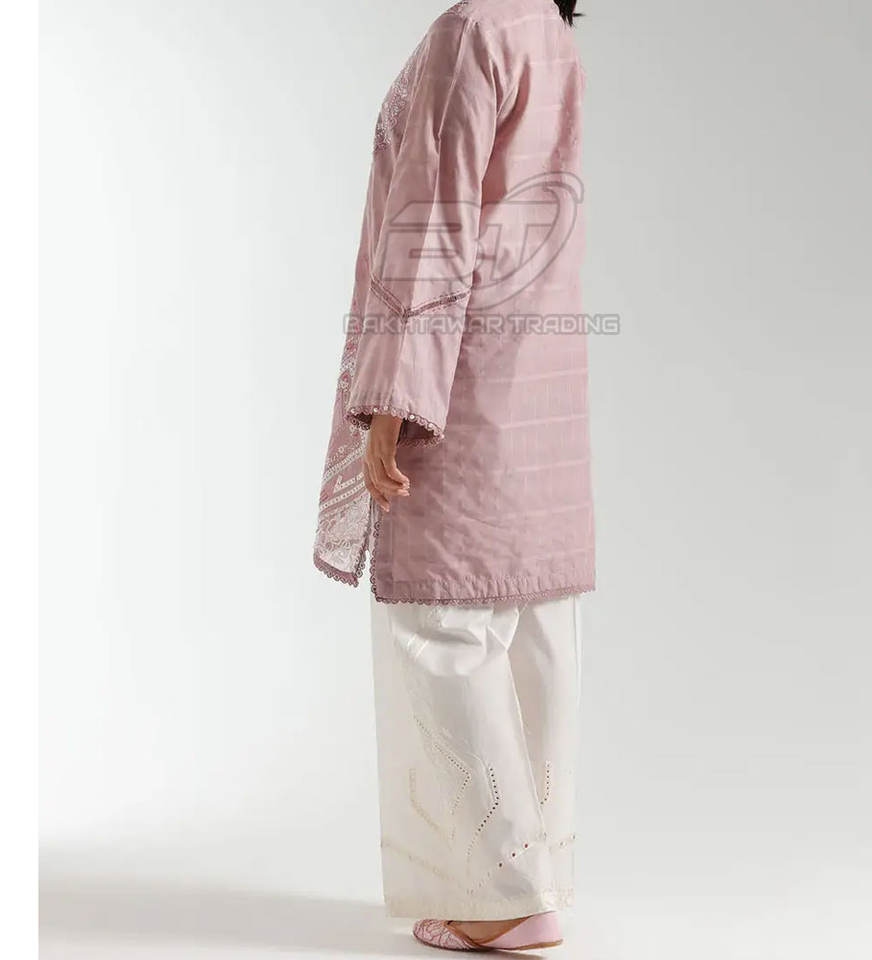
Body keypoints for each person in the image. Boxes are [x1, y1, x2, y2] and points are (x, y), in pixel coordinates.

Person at [313, 0, 592, 950]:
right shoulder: (547, 30)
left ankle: (504, 896)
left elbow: (433, 223)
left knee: (446, 623)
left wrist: (394, 398)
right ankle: (531, 874)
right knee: (528, 620)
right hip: (537, 376)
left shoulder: (472, 29)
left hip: (462, 374)